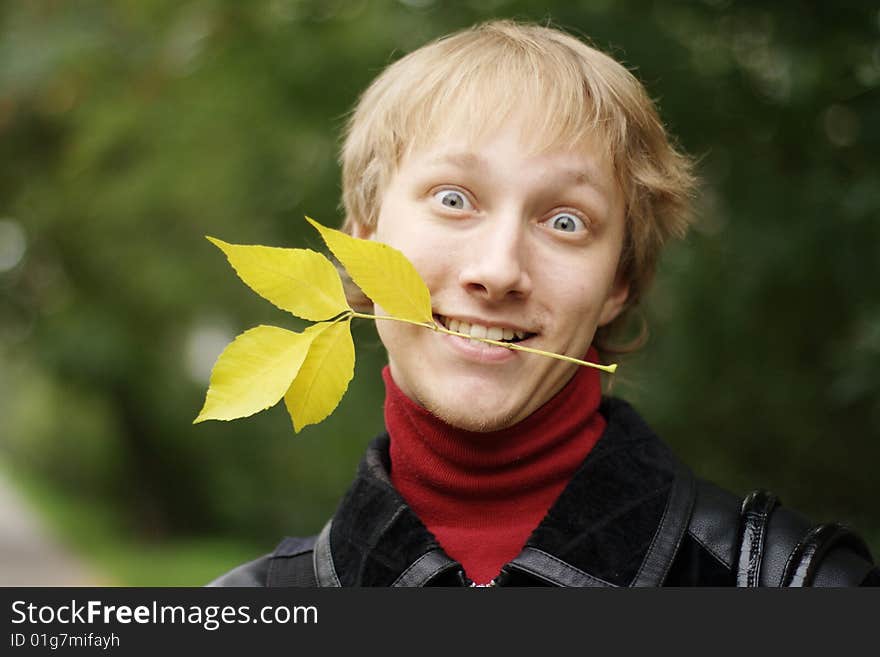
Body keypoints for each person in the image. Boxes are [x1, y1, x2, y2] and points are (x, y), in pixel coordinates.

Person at [209, 20, 877, 587]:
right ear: (362, 241)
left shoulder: (788, 587)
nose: (498, 270)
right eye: (453, 199)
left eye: (565, 221)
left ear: (619, 280)